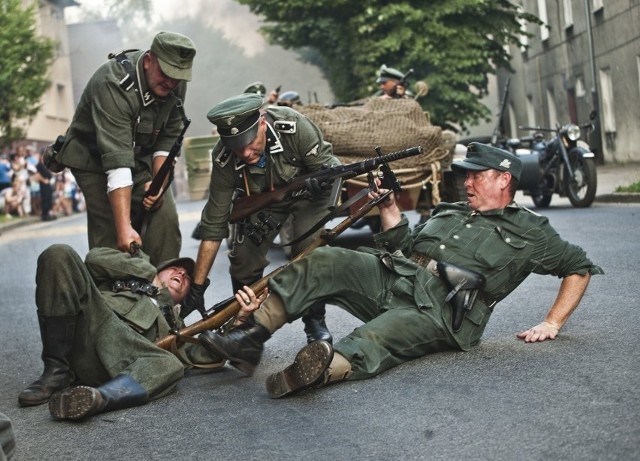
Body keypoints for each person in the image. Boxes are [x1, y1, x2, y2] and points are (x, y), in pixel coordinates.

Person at [196, 142, 603, 399]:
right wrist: (388, 206)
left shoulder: (532, 231)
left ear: (503, 179)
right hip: (397, 277)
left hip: (443, 312)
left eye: (477, 176)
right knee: (325, 259)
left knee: (382, 334)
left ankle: (322, 369)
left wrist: (552, 322)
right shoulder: (449, 211)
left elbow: (579, 267)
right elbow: (402, 247)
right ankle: (252, 336)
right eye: (467, 176)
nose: (468, 183)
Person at [182, 93, 341, 347]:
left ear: (263, 123)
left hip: (312, 193)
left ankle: (315, 322)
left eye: (250, 142)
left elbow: (330, 169)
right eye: (237, 146)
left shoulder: (294, 127)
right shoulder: (224, 157)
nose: (244, 152)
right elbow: (214, 225)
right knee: (243, 259)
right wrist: (198, 287)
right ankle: (247, 328)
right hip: (265, 199)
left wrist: (318, 179)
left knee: (308, 248)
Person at [18, 244, 223, 420]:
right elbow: (94, 259)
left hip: (118, 363)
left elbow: (211, 353)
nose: (181, 274)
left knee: (171, 364)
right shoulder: (128, 277)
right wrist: (146, 271)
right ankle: (56, 373)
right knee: (59, 253)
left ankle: (96, 398)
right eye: (175, 269)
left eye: (187, 277)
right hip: (89, 327)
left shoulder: (178, 327)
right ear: (159, 271)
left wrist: (240, 319)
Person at [48, 31, 196, 266]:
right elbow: (117, 161)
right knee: (112, 232)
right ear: (149, 61)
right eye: (166, 73)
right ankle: (110, 297)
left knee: (165, 216)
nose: (171, 83)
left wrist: (158, 183)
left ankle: (163, 294)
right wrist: (124, 228)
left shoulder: (175, 83)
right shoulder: (113, 82)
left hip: (139, 154)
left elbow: (168, 138)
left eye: (178, 77)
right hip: (94, 158)